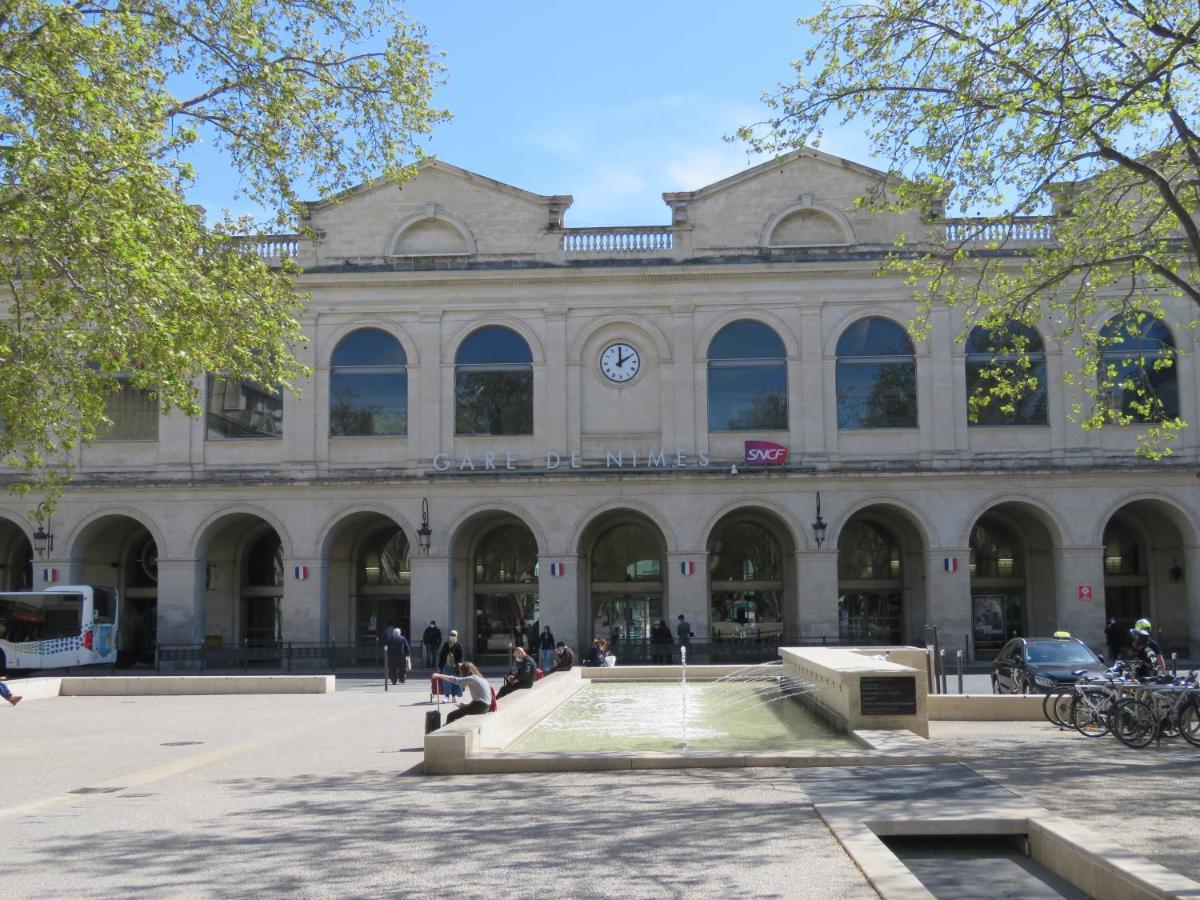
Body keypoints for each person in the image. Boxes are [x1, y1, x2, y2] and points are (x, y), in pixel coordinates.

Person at [438, 629, 465, 698]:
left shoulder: (458, 645)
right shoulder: (446, 645)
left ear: (456, 636)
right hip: (446, 666)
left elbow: (460, 657)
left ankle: (453, 696)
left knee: (455, 682)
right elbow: (442, 656)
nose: (452, 636)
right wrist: (439, 667)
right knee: (446, 682)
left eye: (454, 635)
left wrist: (459, 665)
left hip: (455, 667)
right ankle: (446, 696)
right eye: (451, 635)